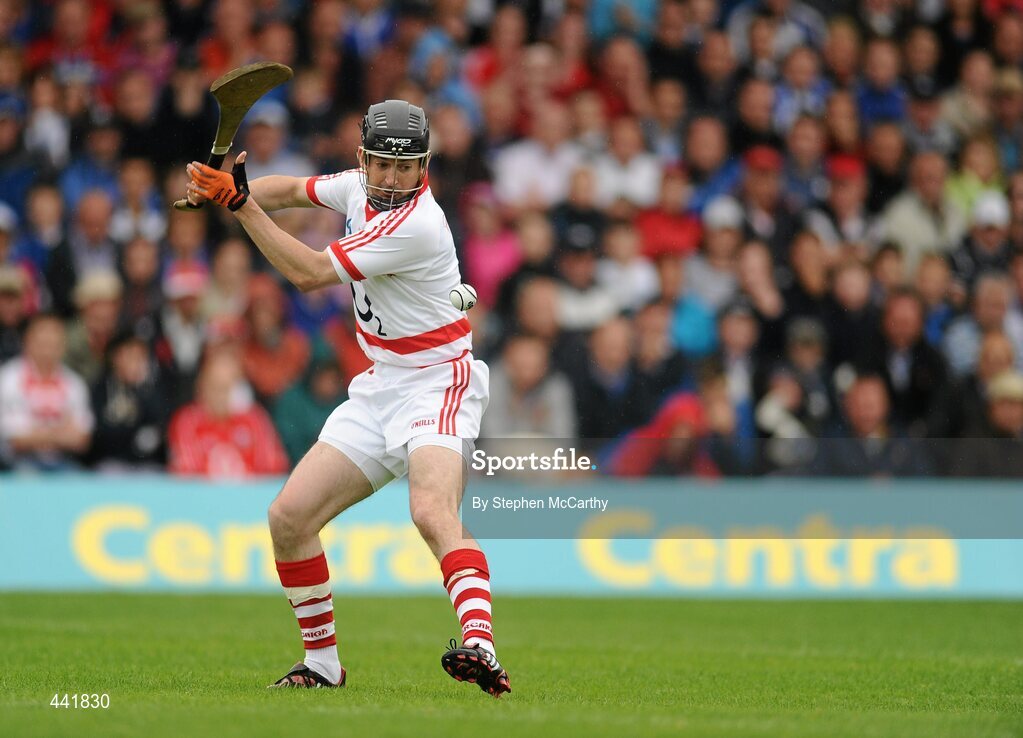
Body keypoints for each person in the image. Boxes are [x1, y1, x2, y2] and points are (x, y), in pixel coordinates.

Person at [186, 99, 510, 696]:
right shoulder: (359, 186)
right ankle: (322, 666)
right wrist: (237, 184)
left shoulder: (417, 224)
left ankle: (481, 646)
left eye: (405, 167)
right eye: (381, 166)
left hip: (438, 380)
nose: (391, 179)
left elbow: (309, 273)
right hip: (381, 383)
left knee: (431, 511)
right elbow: (295, 189)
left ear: (423, 168)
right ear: (363, 159)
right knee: (288, 519)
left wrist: (240, 205)